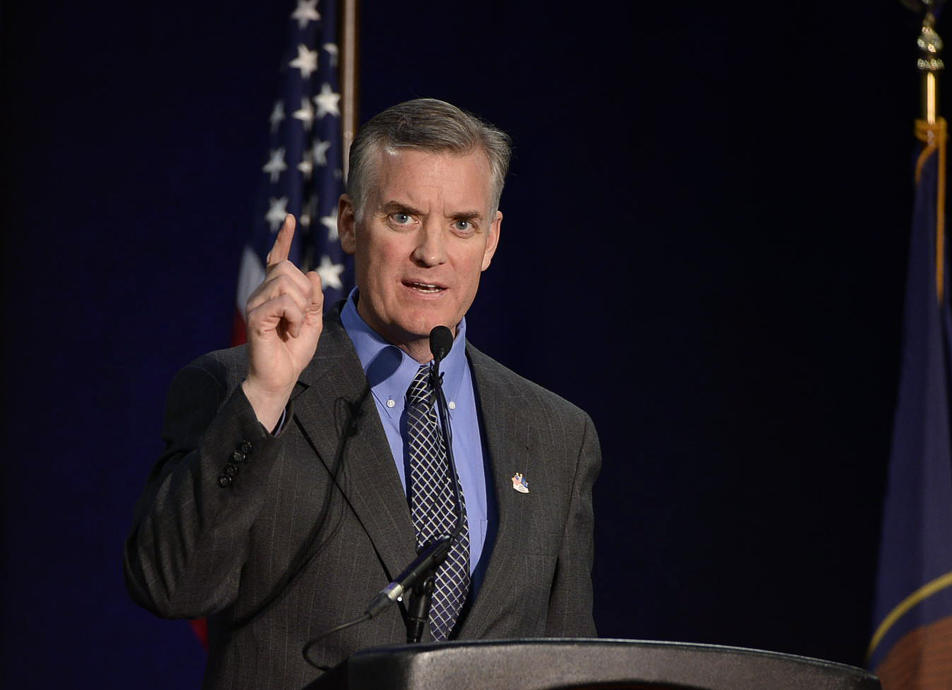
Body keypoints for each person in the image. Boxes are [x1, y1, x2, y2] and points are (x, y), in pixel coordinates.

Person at [124, 98, 601, 689]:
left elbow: (572, 666)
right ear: (349, 224)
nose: (432, 252)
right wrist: (267, 396)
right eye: (402, 216)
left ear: (491, 240)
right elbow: (172, 586)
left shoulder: (556, 434)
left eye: (461, 223)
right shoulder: (239, 390)